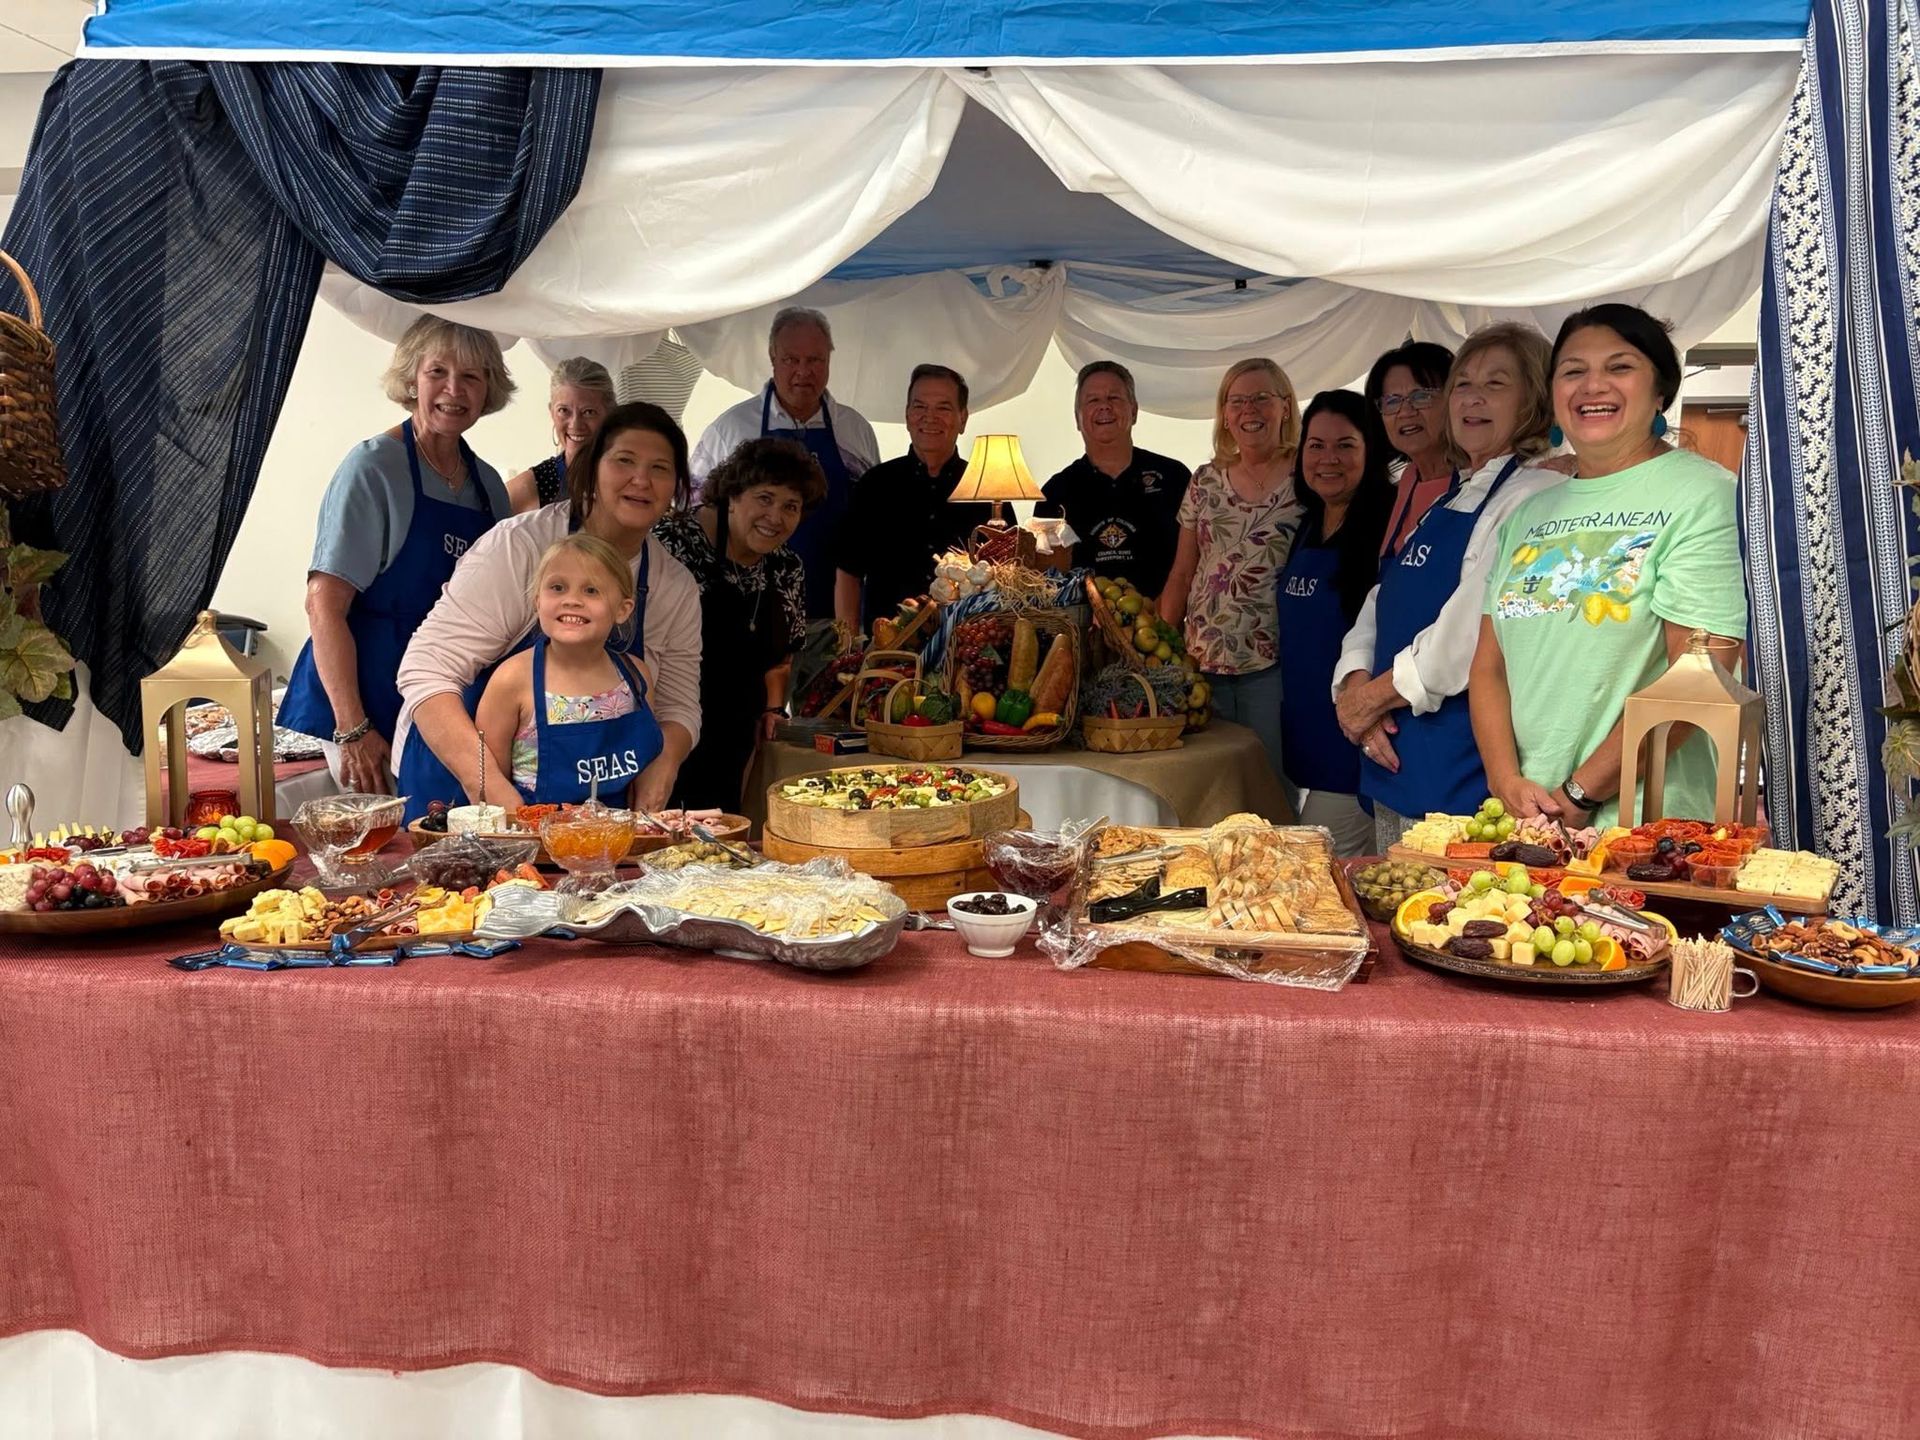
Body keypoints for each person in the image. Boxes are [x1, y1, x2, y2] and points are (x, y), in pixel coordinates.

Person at [1470, 304, 1747, 829]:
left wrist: (1578, 795)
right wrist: (1505, 781)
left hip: (1646, 827)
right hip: (1530, 818)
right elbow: (1489, 665)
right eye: (1573, 371)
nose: (1592, 386)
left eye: (1619, 367)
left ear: (1661, 390)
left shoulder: (1705, 495)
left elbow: (1700, 678)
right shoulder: (1529, 512)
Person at [394, 403, 704, 821]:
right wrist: (494, 795)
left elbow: (678, 705)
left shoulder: (675, 586)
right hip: (462, 786)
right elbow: (426, 669)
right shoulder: (520, 546)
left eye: (660, 468)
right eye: (624, 460)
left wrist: (664, 763)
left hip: (597, 817)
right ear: (592, 468)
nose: (641, 480)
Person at [1333, 324, 1564, 851]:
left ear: (1533, 399)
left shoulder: (1536, 493)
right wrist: (1352, 684)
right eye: (1463, 384)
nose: (1473, 399)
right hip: (1395, 754)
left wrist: (1373, 699)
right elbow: (1381, 598)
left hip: (1455, 760)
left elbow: (1467, 634)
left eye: (1496, 384)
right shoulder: (1455, 493)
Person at [278, 316, 515, 795]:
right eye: (437, 372)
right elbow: (323, 605)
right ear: (411, 379)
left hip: (444, 700)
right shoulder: (373, 469)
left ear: (488, 389)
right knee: (384, 836)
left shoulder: (489, 486)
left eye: (471, 376)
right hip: (367, 696)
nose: (454, 389)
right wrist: (353, 727)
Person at [655, 438, 821, 812]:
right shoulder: (670, 545)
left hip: (736, 740)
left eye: (790, 506)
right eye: (765, 498)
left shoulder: (787, 566)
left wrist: (773, 709)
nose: (775, 517)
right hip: (667, 735)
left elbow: (782, 658)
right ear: (732, 495)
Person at [1157, 358, 1302, 782]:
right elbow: (1182, 573)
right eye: (1236, 401)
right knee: (1212, 784)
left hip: (1274, 663)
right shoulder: (1204, 480)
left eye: (1261, 398)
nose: (1248, 410)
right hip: (1203, 663)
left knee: (1271, 783)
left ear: (1285, 407)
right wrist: (1161, 656)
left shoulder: (1309, 476)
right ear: (1223, 414)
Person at [688, 307, 879, 618]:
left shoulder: (855, 430)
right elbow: (694, 511)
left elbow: (871, 516)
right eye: (791, 359)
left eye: (815, 360)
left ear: (829, 361)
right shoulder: (731, 428)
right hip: (747, 611)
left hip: (837, 611)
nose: (804, 371)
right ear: (772, 358)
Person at [1273, 391, 1395, 857]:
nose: (1328, 459)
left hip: (1354, 746)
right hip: (1310, 737)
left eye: (1345, 445)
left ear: (1371, 451)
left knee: (1310, 866)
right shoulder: (1309, 524)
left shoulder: (1385, 526)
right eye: (1316, 445)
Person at [475, 534, 661, 805]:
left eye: (591, 590)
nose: (572, 600)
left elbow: (642, 778)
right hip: (535, 830)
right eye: (558, 587)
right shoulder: (511, 680)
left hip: (621, 830)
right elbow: (490, 787)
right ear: (537, 601)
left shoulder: (636, 676)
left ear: (623, 610)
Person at [834, 365, 994, 630]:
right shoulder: (874, 485)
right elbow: (848, 572)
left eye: (943, 408)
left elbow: (1007, 575)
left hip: (968, 644)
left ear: (963, 419)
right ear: (907, 416)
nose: (929, 418)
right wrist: (848, 645)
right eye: (920, 407)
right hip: (887, 644)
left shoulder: (985, 488)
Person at [1035, 360, 1192, 599]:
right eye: (1093, 400)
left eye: (1114, 398)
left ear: (1134, 411)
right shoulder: (1056, 491)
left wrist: (1166, 615)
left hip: (1166, 619)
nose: (1104, 406)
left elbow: (1195, 563)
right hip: (1083, 621)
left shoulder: (1174, 477)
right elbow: (1047, 581)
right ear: (1077, 418)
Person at [1365, 341, 1457, 558]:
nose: (1406, 411)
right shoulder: (1410, 477)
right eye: (1392, 401)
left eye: (1421, 396)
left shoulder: (1476, 478)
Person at [504, 357, 617, 514]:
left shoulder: (630, 478)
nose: (575, 424)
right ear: (551, 412)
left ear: (610, 414)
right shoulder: (531, 487)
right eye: (564, 410)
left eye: (588, 412)